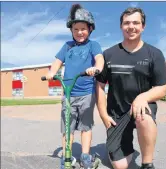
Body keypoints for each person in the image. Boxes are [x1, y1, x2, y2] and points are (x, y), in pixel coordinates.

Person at [96, 7, 166, 169]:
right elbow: (100, 86)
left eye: (136, 23)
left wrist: (142, 97)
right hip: (118, 113)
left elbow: (162, 88)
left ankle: (147, 163)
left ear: (143, 26)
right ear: (121, 26)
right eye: (127, 23)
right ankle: (125, 147)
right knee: (119, 166)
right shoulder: (109, 54)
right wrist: (103, 114)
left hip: (142, 107)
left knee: (143, 117)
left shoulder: (154, 54)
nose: (131, 26)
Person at [45, 3, 104, 169]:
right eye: (76, 29)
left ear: (90, 29)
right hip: (69, 94)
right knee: (67, 127)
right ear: (71, 30)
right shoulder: (67, 46)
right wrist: (52, 72)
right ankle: (67, 155)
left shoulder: (93, 45)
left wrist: (97, 68)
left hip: (86, 93)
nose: (79, 32)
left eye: (83, 28)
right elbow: (57, 61)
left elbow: (99, 58)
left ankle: (85, 156)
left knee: (85, 126)